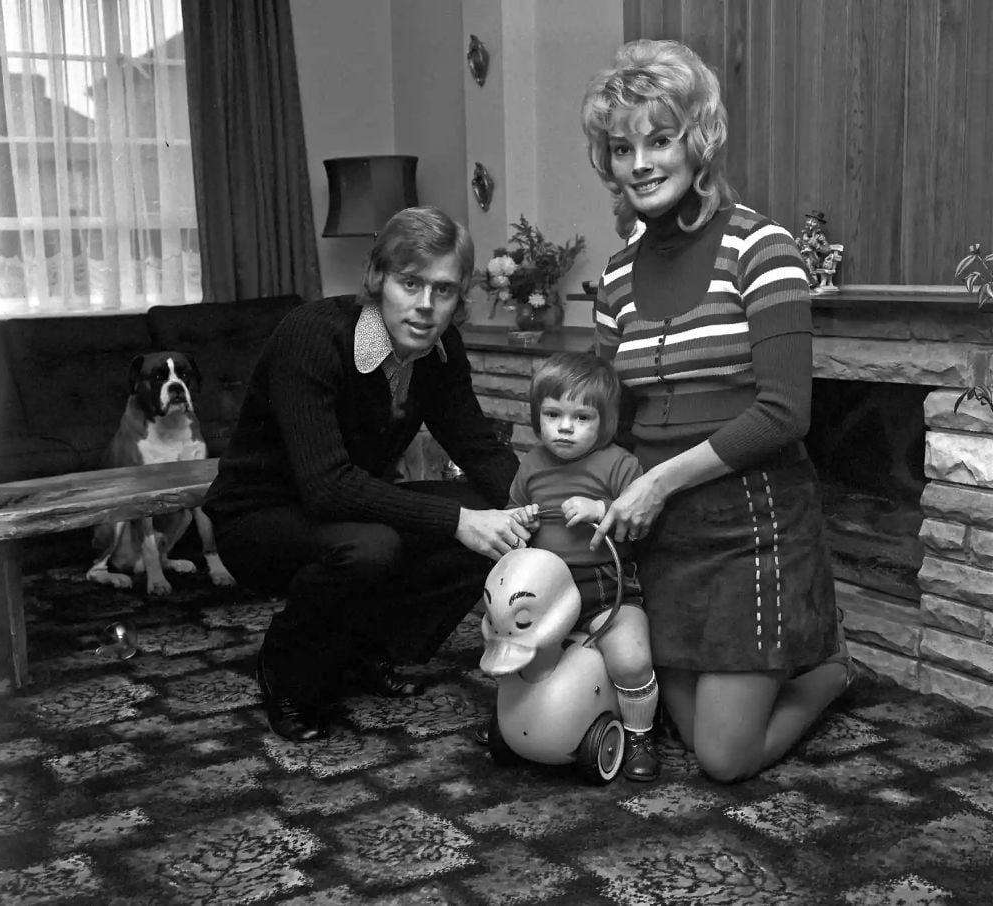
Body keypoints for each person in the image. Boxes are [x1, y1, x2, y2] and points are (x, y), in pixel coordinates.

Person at [579, 40, 851, 782]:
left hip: (752, 530)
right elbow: (610, 413)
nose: (641, 162)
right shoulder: (614, 278)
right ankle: (785, 668)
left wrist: (659, 482)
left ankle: (829, 672)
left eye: (660, 139)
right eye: (622, 146)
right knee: (674, 717)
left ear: (697, 143)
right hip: (664, 540)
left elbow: (785, 413)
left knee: (723, 759)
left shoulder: (762, 247)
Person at [204, 206, 532, 742]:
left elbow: (479, 450)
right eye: (411, 283)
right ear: (379, 278)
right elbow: (326, 485)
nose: (426, 306)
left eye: (444, 290)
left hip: (354, 509)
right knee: (375, 547)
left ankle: (367, 649)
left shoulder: (440, 350)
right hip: (259, 518)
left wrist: (541, 507)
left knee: (491, 515)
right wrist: (456, 520)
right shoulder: (310, 335)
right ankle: (284, 668)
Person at [509, 352, 660, 781]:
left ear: (606, 422)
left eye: (582, 417)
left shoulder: (619, 464)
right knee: (517, 647)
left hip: (606, 584)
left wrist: (602, 508)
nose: (565, 427)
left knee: (630, 658)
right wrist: (520, 519)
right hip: (547, 586)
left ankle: (639, 733)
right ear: (537, 416)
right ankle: (517, 717)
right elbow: (512, 510)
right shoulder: (532, 463)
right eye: (553, 414)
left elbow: (641, 525)